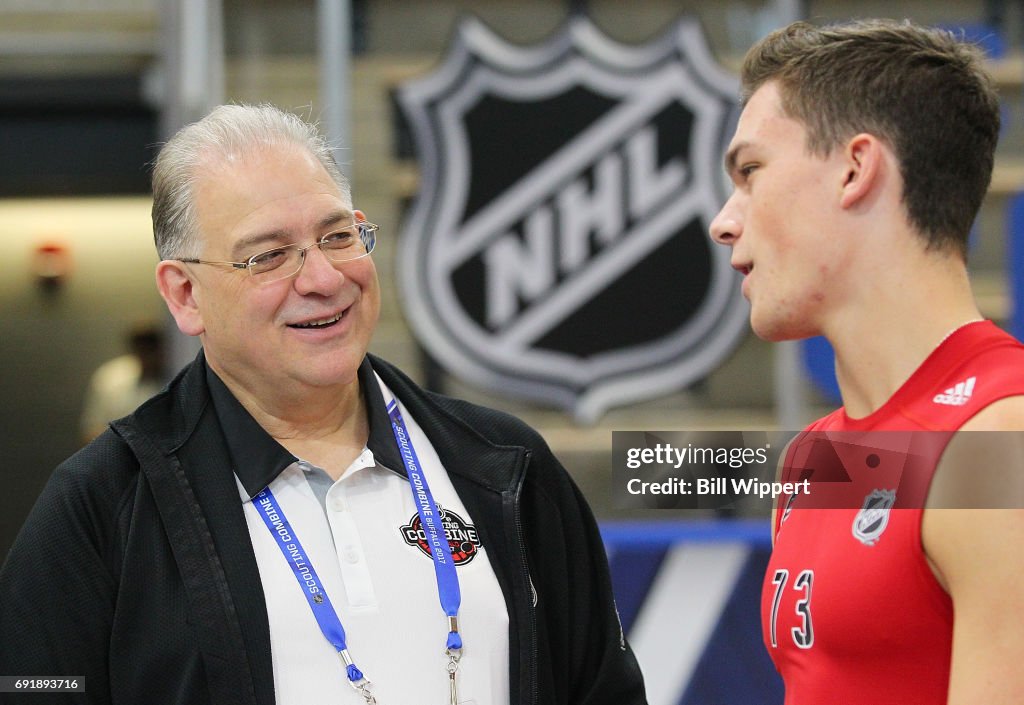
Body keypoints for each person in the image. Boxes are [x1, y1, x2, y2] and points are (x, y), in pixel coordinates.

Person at [0, 104, 647, 705]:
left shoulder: (503, 466)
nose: (323, 278)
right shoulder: (103, 506)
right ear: (185, 295)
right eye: (270, 254)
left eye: (338, 235)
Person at [709, 19, 1024, 705]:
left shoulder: (1002, 440)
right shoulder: (812, 459)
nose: (725, 220)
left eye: (751, 171)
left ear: (855, 168)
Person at [79, 321, 166, 443]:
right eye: (141, 348)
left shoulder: (178, 379)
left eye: (151, 348)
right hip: (117, 456)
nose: (147, 356)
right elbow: (92, 430)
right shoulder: (111, 378)